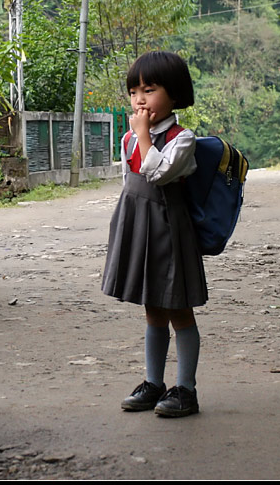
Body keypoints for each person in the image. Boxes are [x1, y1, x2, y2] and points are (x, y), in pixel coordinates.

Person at [102, 51, 207, 418]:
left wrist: (143, 136)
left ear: (174, 94)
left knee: (179, 307)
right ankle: (153, 382)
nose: (140, 100)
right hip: (139, 228)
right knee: (152, 309)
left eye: (149, 89)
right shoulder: (130, 139)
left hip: (169, 230)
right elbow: (129, 183)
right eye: (134, 92)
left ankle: (186, 389)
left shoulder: (183, 139)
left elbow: (158, 173)